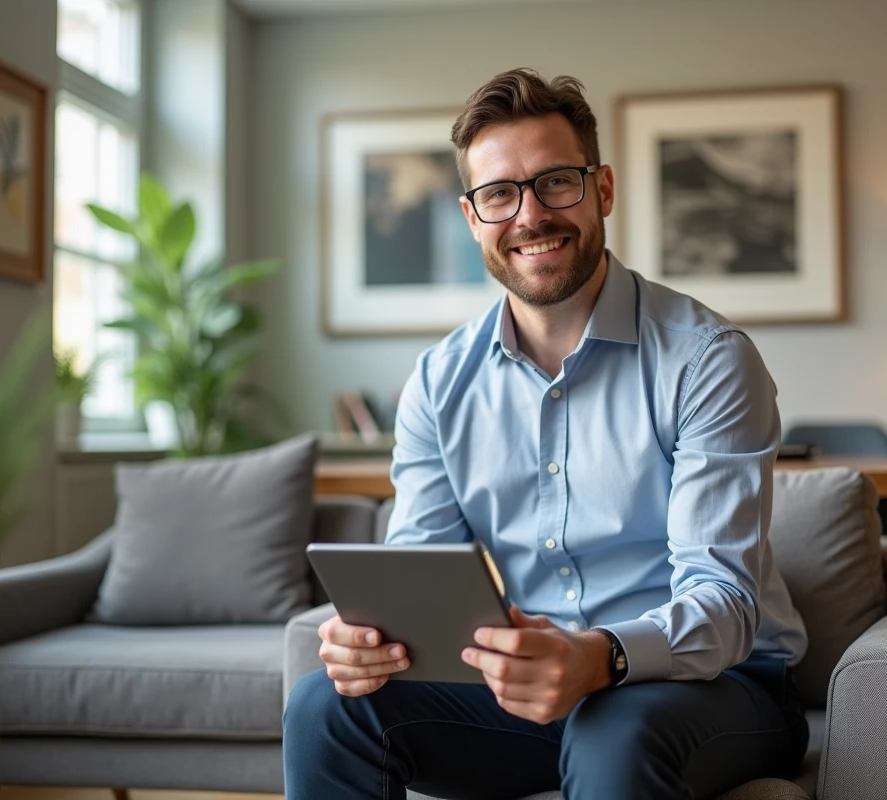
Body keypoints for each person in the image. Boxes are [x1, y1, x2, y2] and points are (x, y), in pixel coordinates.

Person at [283, 68, 809, 800]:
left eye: (556, 182)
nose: (530, 215)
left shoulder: (707, 360)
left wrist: (598, 659)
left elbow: (724, 601)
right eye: (499, 194)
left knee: (613, 730)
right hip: (517, 691)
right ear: (474, 218)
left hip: (710, 686)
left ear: (603, 191)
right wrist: (375, 640)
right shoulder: (438, 384)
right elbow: (421, 576)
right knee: (323, 706)